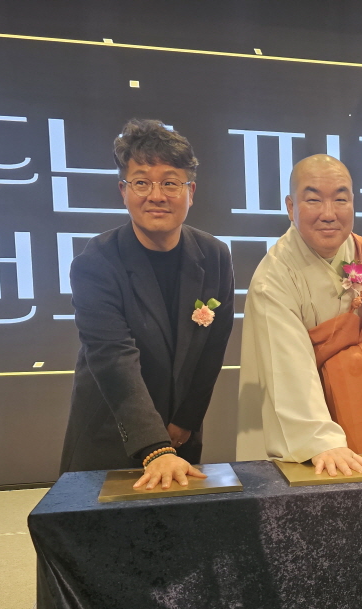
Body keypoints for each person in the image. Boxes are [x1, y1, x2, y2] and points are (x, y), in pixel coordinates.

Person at [60, 119, 234, 488]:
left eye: (170, 183)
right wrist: (155, 446)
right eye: (142, 182)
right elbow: (113, 358)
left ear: (191, 191)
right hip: (112, 433)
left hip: (179, 436)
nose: (157, 196)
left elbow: (212, 349)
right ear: (123, 191)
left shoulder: (214, 255)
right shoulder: (96, 261)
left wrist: (185, 422)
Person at [236, 154, 362, 476]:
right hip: (316, 432)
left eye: (340, 199)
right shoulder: (274, 279)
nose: (329, 214)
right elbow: (286, 367)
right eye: (314, 200)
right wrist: (319, 440)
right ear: (291, 207)